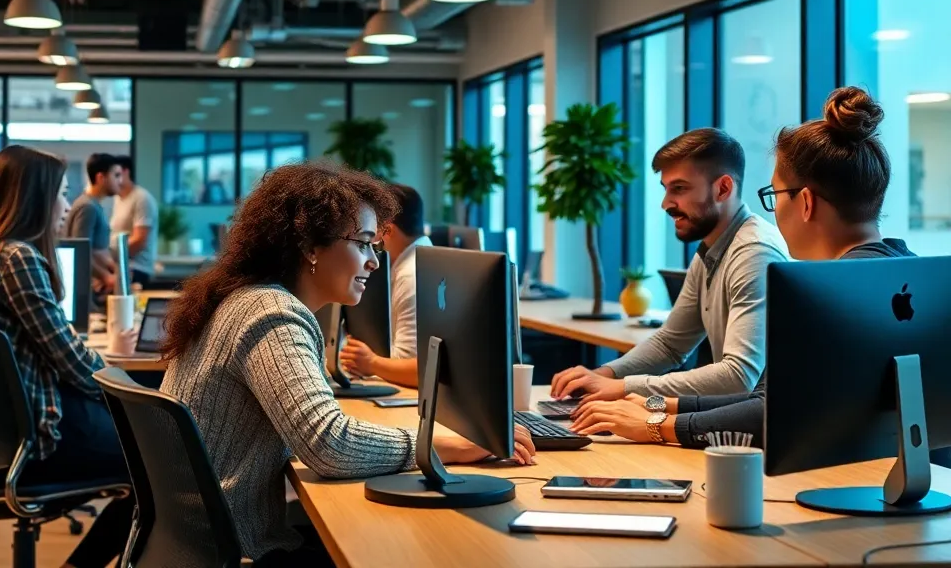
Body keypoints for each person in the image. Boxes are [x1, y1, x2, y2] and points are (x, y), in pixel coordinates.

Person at [160, 163, 534, 566]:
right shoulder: (270, 313)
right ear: (309, 247)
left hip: (198, 541)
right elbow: (330, 446)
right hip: (236, 548)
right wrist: (438, 447)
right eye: (363, 244)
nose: (375, 261)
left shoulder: (248, 298)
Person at [570, 87, 914, 447]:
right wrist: (654, 404)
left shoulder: (822, 292)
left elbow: (768, 409)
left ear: (806, 202)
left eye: (775, 195)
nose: (773, 210)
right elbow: (763, 401)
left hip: (846, 482)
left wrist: (655, 425)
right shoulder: (906, 275)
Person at [0, 145, 139, 568]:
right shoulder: (16, 257)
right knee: (164, 461)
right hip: (21, 447)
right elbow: (75, 363)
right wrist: (136, 392)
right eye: (61, 193)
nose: (67, 205)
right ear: (35, 200)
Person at [552, 128, 788, 402]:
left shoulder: (753, 253)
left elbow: (737, 377)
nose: (666, 204)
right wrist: (604, 375)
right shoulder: (712, 248)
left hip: (759, 434)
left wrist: (624, 388)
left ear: (723, 188)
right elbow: (670, 345)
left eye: (679, 188)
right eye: (666, 189)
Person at [338, 183, 432, 389]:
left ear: (387, 230)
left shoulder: (412, 274)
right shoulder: (420, 259)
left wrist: (371, 362)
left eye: (370, 235)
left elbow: (415, 365)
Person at [64, 154, 122, 296]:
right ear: (101, 178)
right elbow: (81, 252)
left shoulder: (94, 206)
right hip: (84, 290)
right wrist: (106, 277)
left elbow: (95, 249)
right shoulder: (87, 207)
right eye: (116, 175)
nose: (120, 181)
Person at [109, 155, 158, 287]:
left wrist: (109, 255)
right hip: (119, 264)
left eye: (116, 174)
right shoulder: (118, 199)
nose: (113, 179)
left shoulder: (141, 198)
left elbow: (140, 241)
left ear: (126, 172)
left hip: (136, 268)